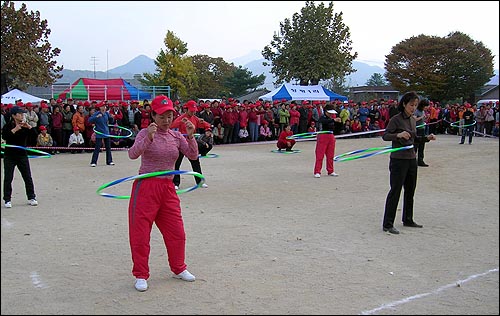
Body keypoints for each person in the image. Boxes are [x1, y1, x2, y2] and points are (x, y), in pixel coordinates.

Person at [127, 95, 198, 292]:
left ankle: (178, 268)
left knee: (177, 232)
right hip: (146, 187)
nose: (166, 121)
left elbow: (193, 156)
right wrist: (148, 138)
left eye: (169, 116)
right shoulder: (144, 133)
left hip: (167, 188)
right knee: (140, 233)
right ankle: (141, 274)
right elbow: (132, 154)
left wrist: (191, 136)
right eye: (162, 116)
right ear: (153, 116)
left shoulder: (176, 136)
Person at [382, 91, 436, 234]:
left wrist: (427, 138)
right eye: (411, 104)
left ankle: (408, 218)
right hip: (398, 160)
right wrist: (398, 135)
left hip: (411, 158)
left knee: (410, 190)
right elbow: (385, 136)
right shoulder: (396, 119)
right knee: (395, 191)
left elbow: (414, 138)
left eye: (416, 105)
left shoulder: (413, 119)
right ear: (404, 104)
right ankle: (388, 223)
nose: (413, 108)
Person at [2, 106, 38, 208]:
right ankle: (7, 199)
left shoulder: (25, 126)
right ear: (13, 115)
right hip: (10, 155)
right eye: (19, 114)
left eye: (22, 114)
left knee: (27, 176)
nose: (22, 115)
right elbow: (5, 137)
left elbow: (35, 136)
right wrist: (14, 129)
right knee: (8, 178)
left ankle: (31, 197)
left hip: (22, 154)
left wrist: (29, 127)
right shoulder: (8, 126)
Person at [170, 100, 208, 189]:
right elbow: (172, 126)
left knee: (195, 161)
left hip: (190, 142)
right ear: (186, 109)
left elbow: (205, 125)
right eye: (191, 110)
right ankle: (176, 183)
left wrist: (208, 128)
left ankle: (200, 182)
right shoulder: (181, 117)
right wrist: (181, 122)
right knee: (177, 163)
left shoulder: (195, 118)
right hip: (181, 142)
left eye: (194, 110)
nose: (193, 112)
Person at [313, 104, 342, 178]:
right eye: (329, 113)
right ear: (326, 111)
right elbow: (323, 121)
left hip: (331, 136)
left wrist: (339, 123)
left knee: (330, 155)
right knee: (320, 155)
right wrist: (333, 120)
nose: (331, 114)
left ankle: (331, 170)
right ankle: (317, 171)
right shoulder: (322, 117)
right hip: (322, 136)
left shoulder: (332, 118)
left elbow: (337, 129)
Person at [89, 103, 114, 167]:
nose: (104, 107)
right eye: (102, 106)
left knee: (108, 148)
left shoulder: (106, 114)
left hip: (106, 132)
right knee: (97, 148)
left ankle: (109, 161)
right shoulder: (97, 113)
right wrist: (96, 117)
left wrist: (112, 117)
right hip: (99, 133)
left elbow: (111, 122)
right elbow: (90, 120)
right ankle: (93, 162)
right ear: (100, 107)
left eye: (104, 106)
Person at [413, 99, 429, 166]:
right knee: (415, 146)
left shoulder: (423, 111)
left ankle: (420, 161)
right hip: (417, 130)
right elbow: (414, 119)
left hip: (422, 129)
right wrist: (421, 117)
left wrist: (426, 118)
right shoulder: (417, 111)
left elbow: (423, 120)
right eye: (426, 106)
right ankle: (413, 161)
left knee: (422, 146)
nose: (427, 108)